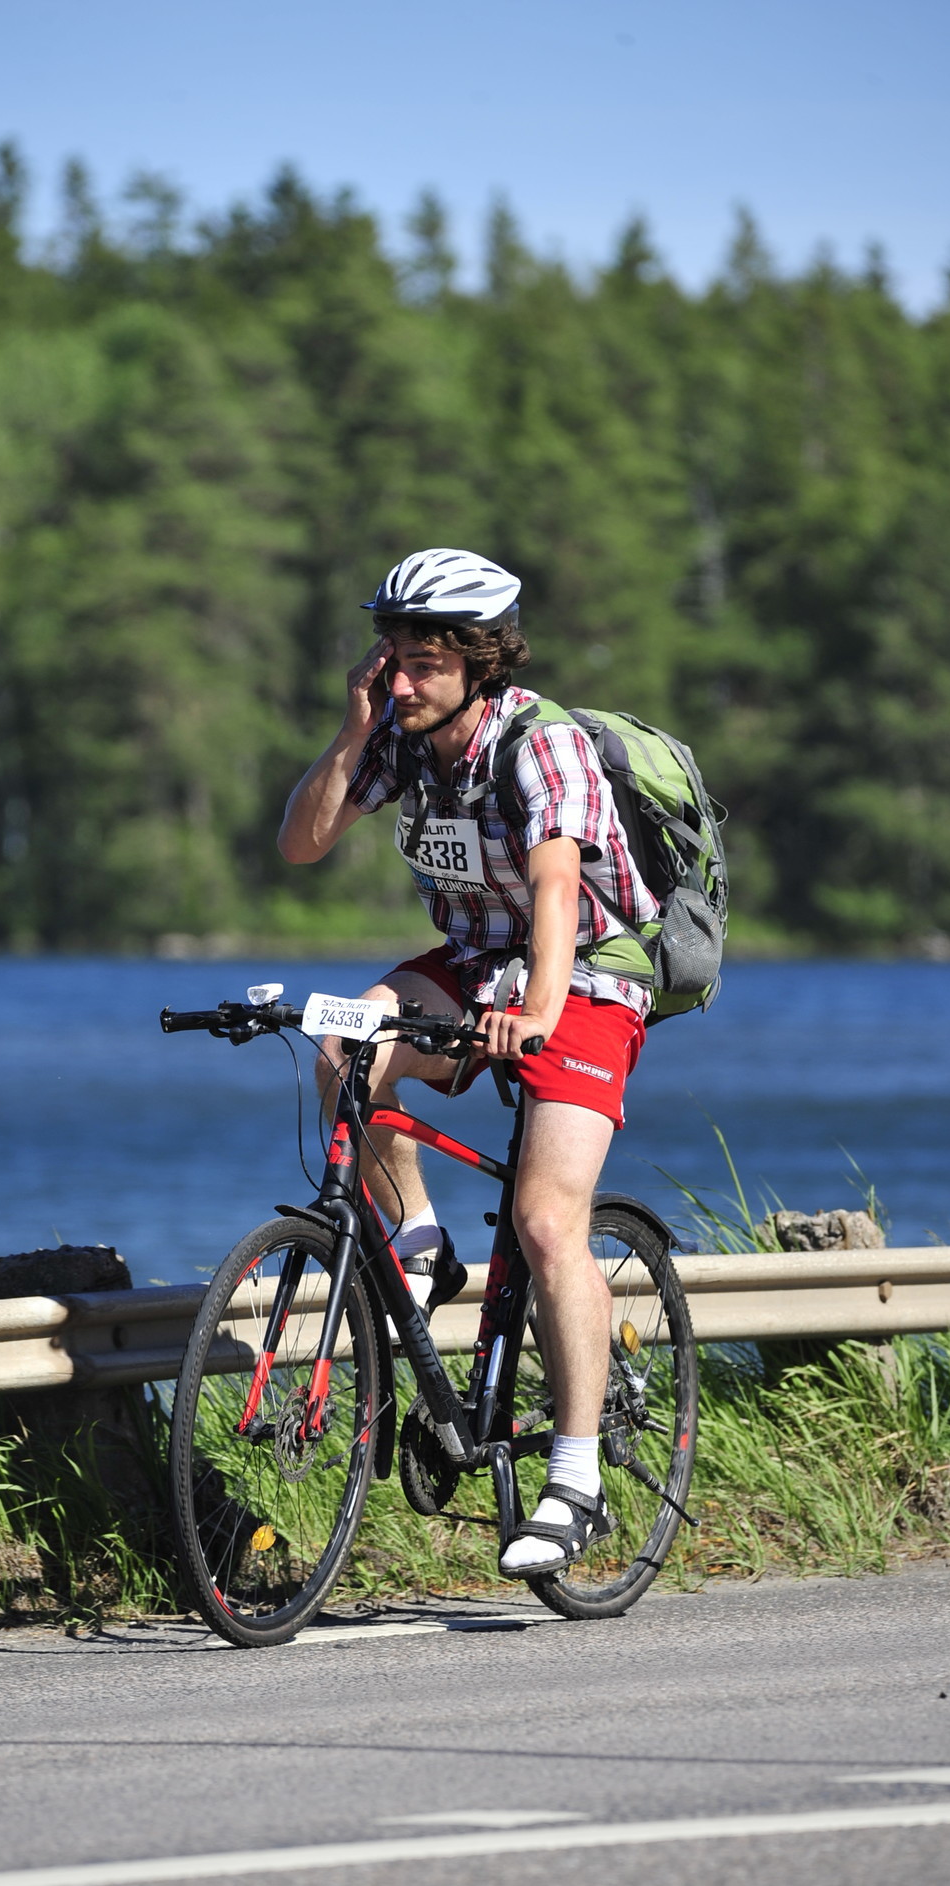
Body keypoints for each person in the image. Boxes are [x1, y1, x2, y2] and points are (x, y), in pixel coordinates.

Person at [278, 547, 658, 1579]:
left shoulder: (541, 744)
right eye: (391, 658)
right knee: (343, 1048)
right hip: (478, 962)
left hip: (587, 974)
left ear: (481, 661)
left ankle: (575, 1480)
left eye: (426, 663)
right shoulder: (401, 738)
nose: (402, 680)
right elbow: (301, 845)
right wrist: (354, 729)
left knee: (545, 1222)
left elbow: (557, 891)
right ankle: (421, 1235)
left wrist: (536, 1014)